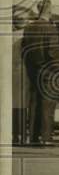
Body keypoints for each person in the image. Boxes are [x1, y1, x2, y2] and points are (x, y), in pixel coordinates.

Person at [21, 0, 59, 146]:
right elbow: (53, 52)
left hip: (33, 70)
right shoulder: (51, 28)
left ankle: (33, 136)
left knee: (34, 104)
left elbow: (24, 51)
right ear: (50, 10)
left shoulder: (28, 28)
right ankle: (46, 137)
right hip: (48, 70)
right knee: (48, 105)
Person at [11, 10, 29, 145]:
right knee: (23, 104)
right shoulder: (26, 36)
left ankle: (14, 133)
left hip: (10, 71)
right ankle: (22, 134)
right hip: (24, 70)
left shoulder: (8, 35)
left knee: (12, 104)